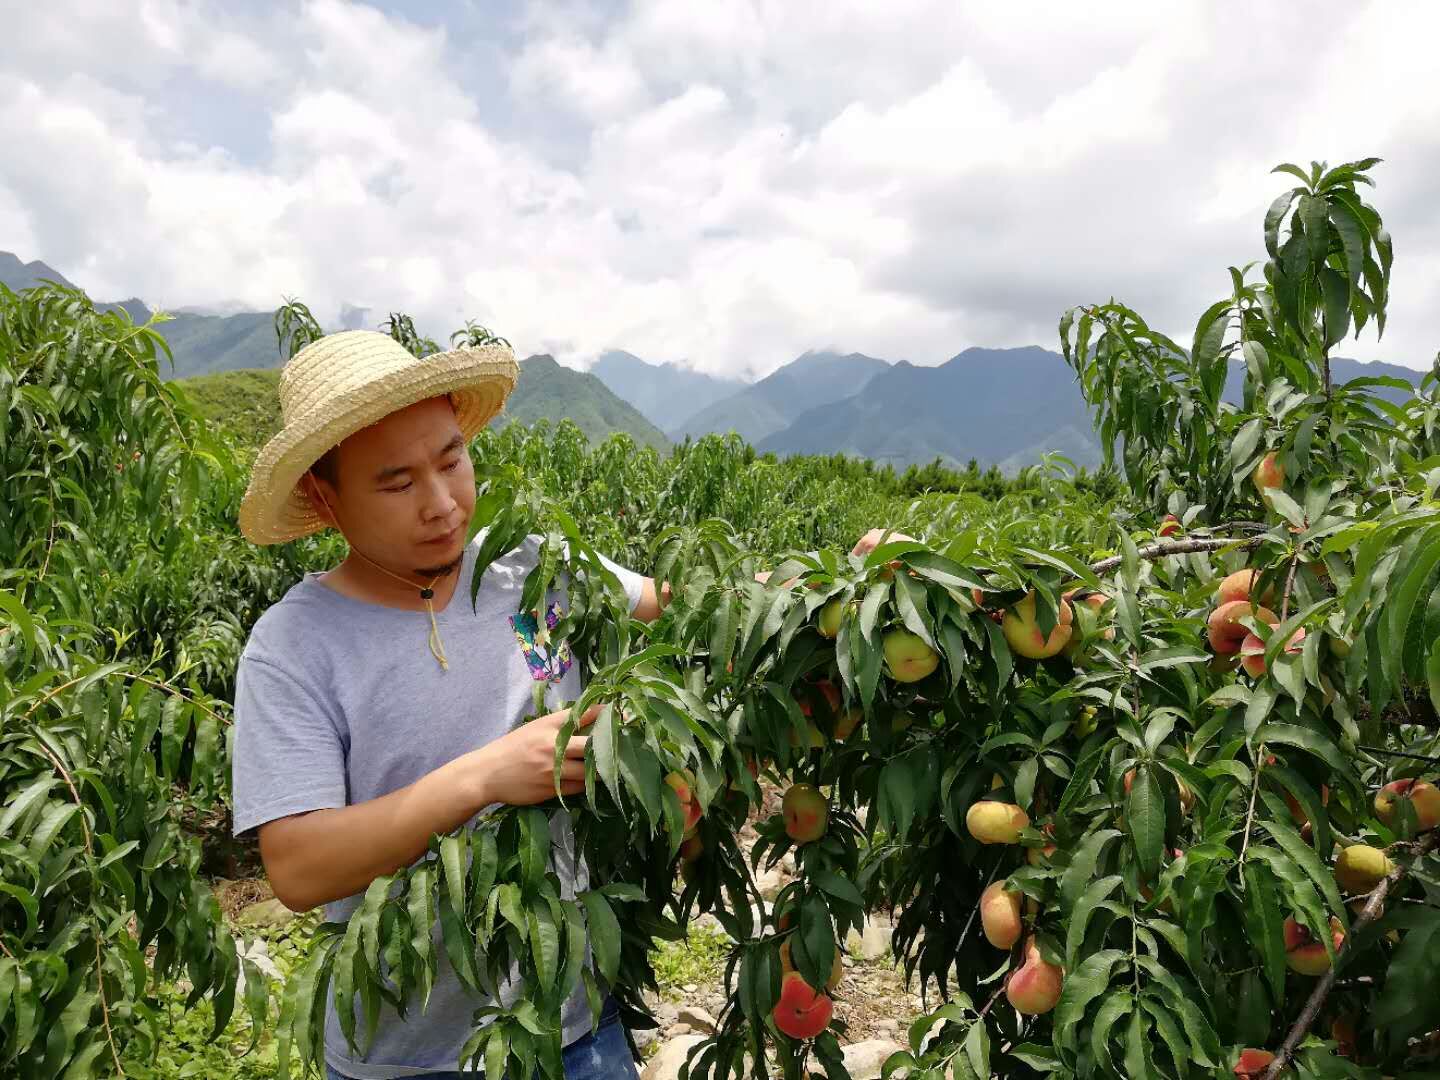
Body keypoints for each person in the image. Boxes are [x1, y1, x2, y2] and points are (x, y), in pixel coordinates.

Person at [231, 329, 901, 1078]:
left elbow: (692, 608)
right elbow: (297, 867)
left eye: (452, 458)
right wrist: (483, 778)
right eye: (395, 483)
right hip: (410, 1057)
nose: (443, 503)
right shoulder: (294, 646)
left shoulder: (532, 566)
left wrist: (843, 579)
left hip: (575, 1026)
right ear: (325, 496)